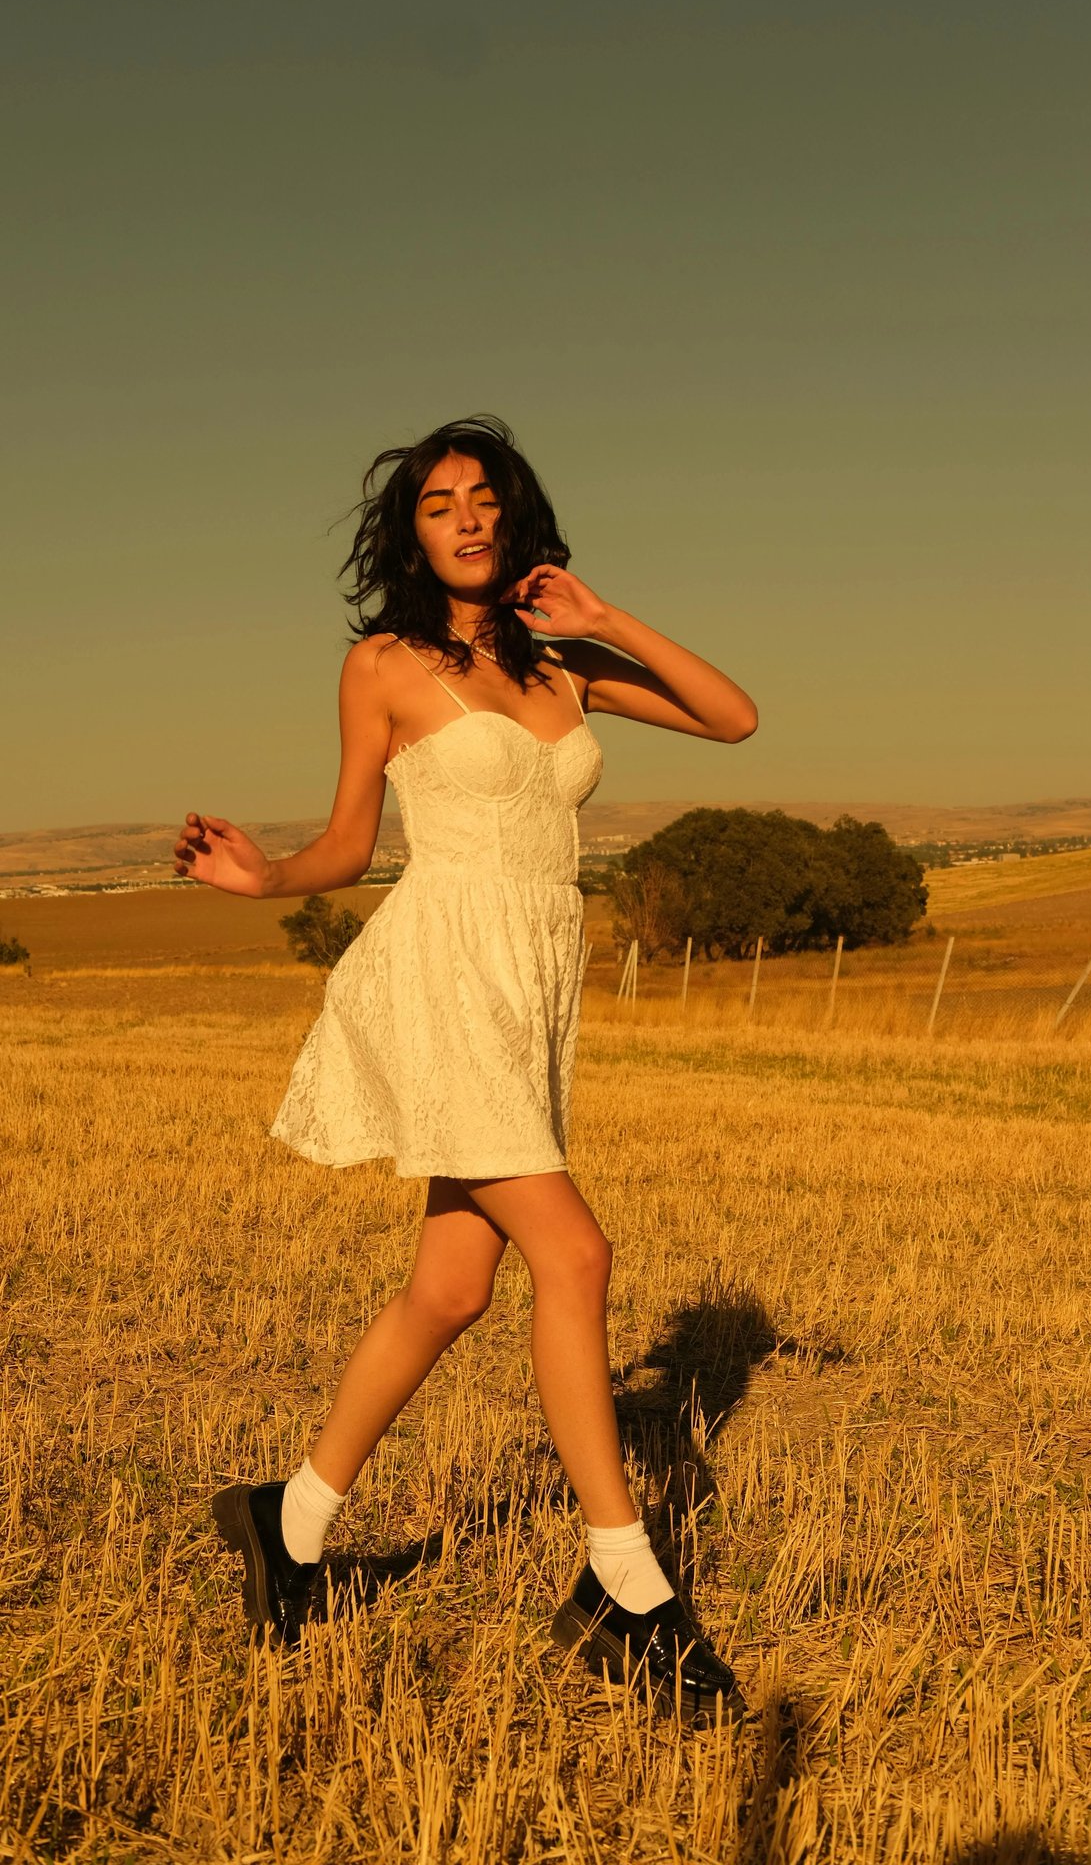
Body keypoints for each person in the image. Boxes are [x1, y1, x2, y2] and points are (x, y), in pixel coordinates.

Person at [174, 415, 758, 1715]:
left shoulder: (565, 670)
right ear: (413, 535)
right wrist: (261, 876)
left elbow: (734, 718)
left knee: (449, 1289)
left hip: (535, 984)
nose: (469, 518)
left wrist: (606, 616)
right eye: (440, 504)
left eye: (486, 498)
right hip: (442, 970)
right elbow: (346, 844)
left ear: (518, 515)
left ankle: (289, 1522)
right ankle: (624, 1586)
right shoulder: (381, 665)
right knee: (576, 1256)